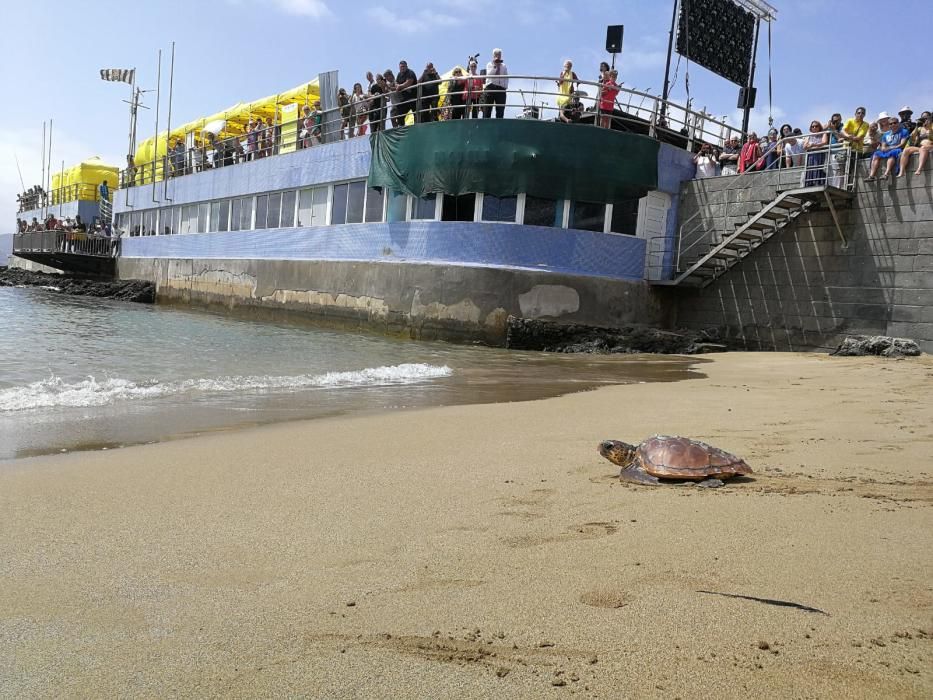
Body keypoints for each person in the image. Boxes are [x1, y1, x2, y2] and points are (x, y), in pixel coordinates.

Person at [866, 115, 910, 181]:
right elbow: (883, 145)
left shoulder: (904, 131)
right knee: (876, 154)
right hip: (888, 149)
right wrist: (883, 148)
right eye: (891, 124)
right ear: (889, 125)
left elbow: (902, 144)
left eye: (895, 123)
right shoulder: (886, 134)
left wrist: (890, 148)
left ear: (898, 123)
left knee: (892, 154)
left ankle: (886, 174)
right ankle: (871, 176)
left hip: (897, 149)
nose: (893, 125)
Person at [483, 48, 509, 119]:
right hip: (490, 87)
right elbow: (489, 74)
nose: (498, 56)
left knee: (500, 110)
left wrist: (505, 86)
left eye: (499, 55)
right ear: (493, 55)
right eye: (496, 54)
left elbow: (506, 77)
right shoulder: (489, 64)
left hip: (501, 88)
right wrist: (495, 66)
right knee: (487, 109)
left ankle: (499, 123)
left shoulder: (504, 66)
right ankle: (486, 123)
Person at [392, 60, 418, 127]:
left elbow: (409, 82)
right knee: (399, 113)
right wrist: (397, 85)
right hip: (404, 99)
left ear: (406, 66)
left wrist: (400, 86)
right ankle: (402, 127)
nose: (402, 68)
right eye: (401, 67)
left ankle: (417, 126)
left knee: (417, 114)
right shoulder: (399, 74)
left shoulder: (410, 72)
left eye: (403, 66)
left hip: (413, 98)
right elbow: (396, 83)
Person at [803, 120, 829, 186]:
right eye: (813, 126)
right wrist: (812, 145)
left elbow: (824, 142)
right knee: (810, 169)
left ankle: (819, 183)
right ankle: (809, 183)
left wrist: (813, 145)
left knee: (818, 167)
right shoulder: (809, 136)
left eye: (816, 126)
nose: (814, 127)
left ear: (819, 127)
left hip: (819, 154)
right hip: (811, 155)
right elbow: (805, 146)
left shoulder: (823, 133)